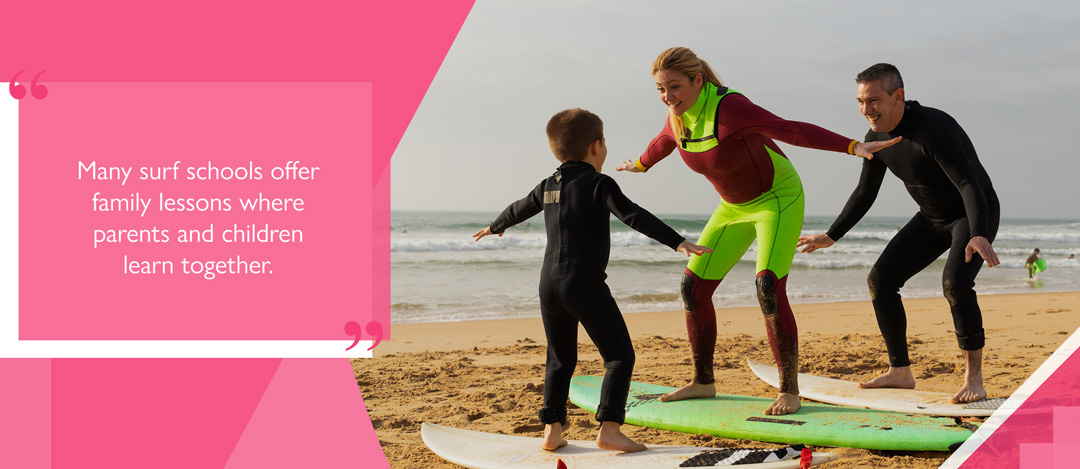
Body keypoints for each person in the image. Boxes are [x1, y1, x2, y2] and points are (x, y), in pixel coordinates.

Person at [616, 47, 899, 415]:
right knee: (693, 287)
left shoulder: (731, 108)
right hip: (732, 207)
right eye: (659, 90)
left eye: (674, 87)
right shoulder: (677, 117)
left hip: (776, 198)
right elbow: (663, 143)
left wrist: (852, 146)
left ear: (698, 80)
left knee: (767, 285)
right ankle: (703, 382)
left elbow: (791, 129)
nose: (667, 97)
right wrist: (639, 165)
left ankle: (789, 391)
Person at [473, 108, 710, 453]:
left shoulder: (546, 186)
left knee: (559, 358)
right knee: (619, 356)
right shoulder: (599, 183)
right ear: (596, 146)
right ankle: (610, 429)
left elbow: (519, 207)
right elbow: (633, 214)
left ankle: (552, 432)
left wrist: (496, 225)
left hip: (548, 284)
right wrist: (678, 241)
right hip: (582, 283)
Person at [798, 63, 1000, 404]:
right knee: (881, 279)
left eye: (873, 100)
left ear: (898, 96)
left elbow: (968, 183)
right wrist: (831, 236)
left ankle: (974, 379)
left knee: (955, 283)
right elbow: (865, 192)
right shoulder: (875, 139)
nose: (866, 110)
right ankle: (900, 371)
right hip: (931, 217)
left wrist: (979, 233)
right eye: (861, 101)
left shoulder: (933, 128)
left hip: (972, 214)